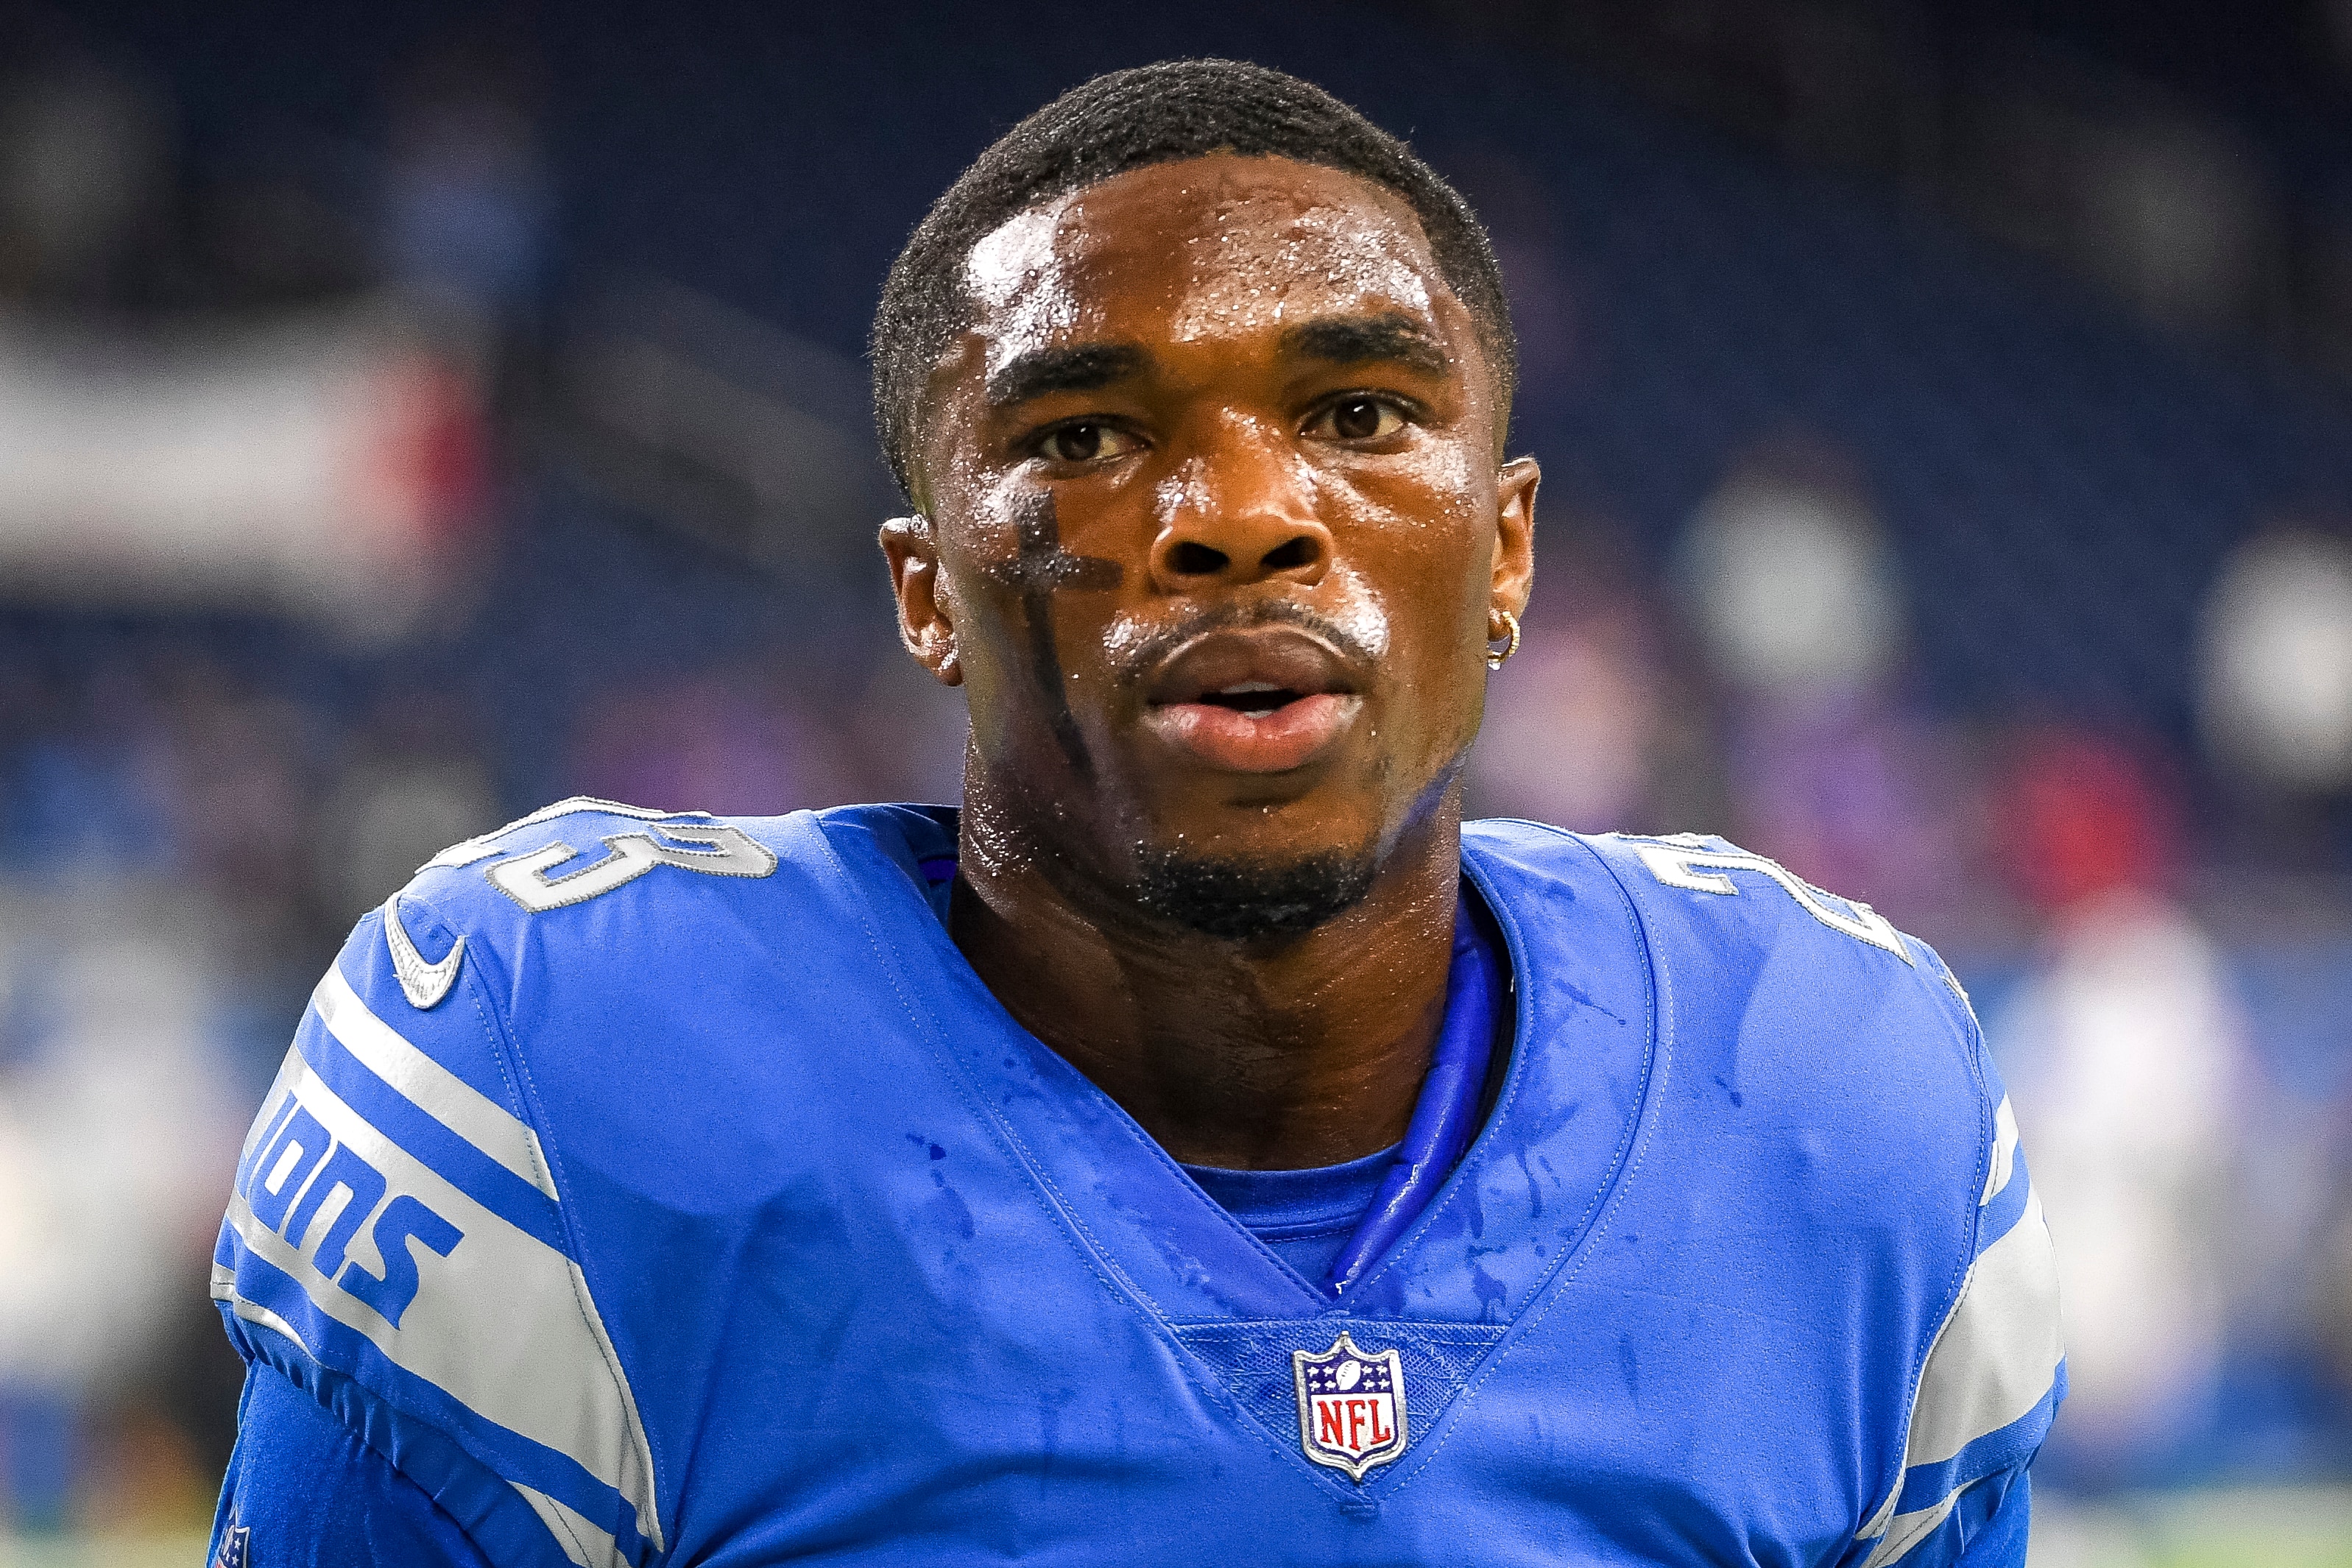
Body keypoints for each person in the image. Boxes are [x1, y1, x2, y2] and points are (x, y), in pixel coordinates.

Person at [205, 60, 2060, 1567]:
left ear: (1503, 554)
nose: (1238, 511)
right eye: (1080, 433)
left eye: (1354, 409)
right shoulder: (572, 1074)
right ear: (924, 591)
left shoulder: (1829, 1095)